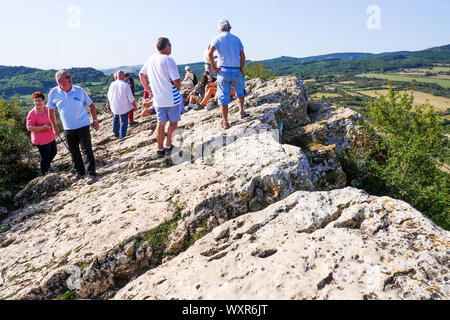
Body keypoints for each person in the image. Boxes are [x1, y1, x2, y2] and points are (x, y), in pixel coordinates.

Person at [47, 70, 99, 182]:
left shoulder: (79, 90)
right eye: (67, 76)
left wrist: (95, 120)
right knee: (73, 151)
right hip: (68, 128)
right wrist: (54, 126)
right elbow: (50, 110)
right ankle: (80, 172)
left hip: (83, 125)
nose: (70, 78)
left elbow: (91, 105)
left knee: (87, 150)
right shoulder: (53, 93)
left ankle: (91, 174)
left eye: (70, 76)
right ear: (59, 80)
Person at [139, 37, 183, 158]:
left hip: (158, 99)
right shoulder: (169, 60)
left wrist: (148, 90)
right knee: (173, 123)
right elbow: (176, 81)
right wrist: (179, 87)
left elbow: (142, 75)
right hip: (171, 97)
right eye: (170, 45)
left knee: (161, 123)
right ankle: (168, 146)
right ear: (167, 46)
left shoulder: (150, 59)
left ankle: (159, 149)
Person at [208, 19, 248, 129]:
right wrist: (240, 68)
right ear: (229, 27)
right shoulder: (236, 39)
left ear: (219, 28)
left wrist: (214, 68)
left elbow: (210, 53)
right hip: (235, 70)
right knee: (240, 93)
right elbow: (243, 56)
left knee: (223, 97)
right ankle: (241, 112)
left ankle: (225, 122)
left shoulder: (217, 38)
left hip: (223, 71)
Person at [26, 91, 57, 176]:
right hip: (41, 140)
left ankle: (47, 166)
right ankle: (44, 173)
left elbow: (53, 119)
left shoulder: (48, 110)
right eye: (35, 101)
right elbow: (29, 128)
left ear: (44, 101)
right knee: (45, 157)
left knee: (54, 152)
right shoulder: (32, 113)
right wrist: (43, 127)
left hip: (50, 136)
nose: (37, 103)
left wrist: (54, 125)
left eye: (39, 100)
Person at [107, 70, 137, 139]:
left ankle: (115, 132)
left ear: (117, 76)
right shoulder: (125, 85)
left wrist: (111, 103)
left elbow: (108, 95)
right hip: (124, 106)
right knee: (124, 121)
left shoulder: (112, 84)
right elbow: (131, 98)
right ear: (123, 76)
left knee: (116, 117)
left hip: (114, 105)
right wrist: (134, 106)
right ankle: (122, 136)